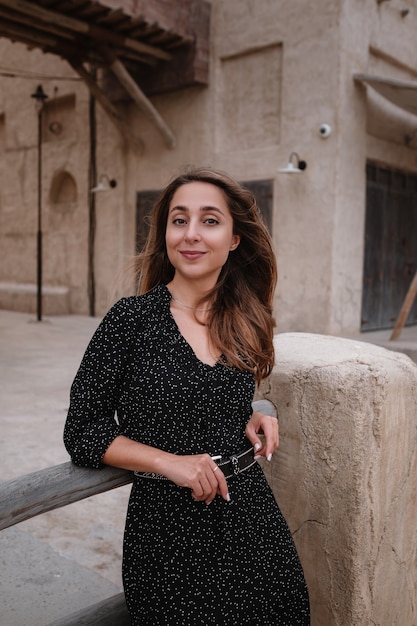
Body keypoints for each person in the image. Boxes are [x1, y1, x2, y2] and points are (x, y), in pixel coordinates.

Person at [64, 167, 310, 625]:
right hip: (168, 536)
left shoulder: (244, 317)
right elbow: (83, 431)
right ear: (165, 232)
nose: (191, 234)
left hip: (253, 520)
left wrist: (250, 414)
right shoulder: (130, 321)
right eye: (179, 220)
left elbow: (208, 397)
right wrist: (168, 461)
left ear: (235, 238)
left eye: (210, 220)